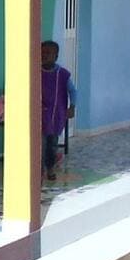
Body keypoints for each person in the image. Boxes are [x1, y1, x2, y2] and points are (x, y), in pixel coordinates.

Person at [39, 40, 76, 181]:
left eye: (48, 53)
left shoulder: (63, 74)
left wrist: (72, 107)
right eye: (42, 53)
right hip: (40, 115)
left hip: (55, 115)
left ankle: (50, 168)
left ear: (56, 56)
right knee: (40, 145)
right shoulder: (35, 72)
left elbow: (72, 91)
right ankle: (39, 171)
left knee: (51, 144)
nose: (44, 55)